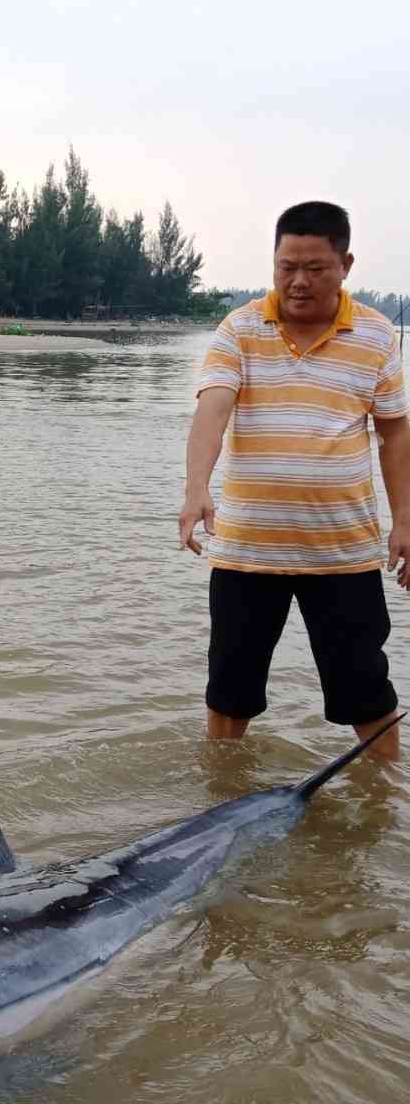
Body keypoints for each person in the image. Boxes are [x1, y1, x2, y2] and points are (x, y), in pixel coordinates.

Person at [178, 201, 409, 759]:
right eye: (286, 267)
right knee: (229, 690)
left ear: (345, 264)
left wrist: (405, 520)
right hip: (246, 551)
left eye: (314, 268)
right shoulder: (240, 328)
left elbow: (395, 433)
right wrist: (195, 489)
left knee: (366, 689)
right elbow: (212, 409)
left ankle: (383, 801)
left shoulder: (378, 336)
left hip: (343, 552)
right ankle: (222, 796)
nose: (298, 282)